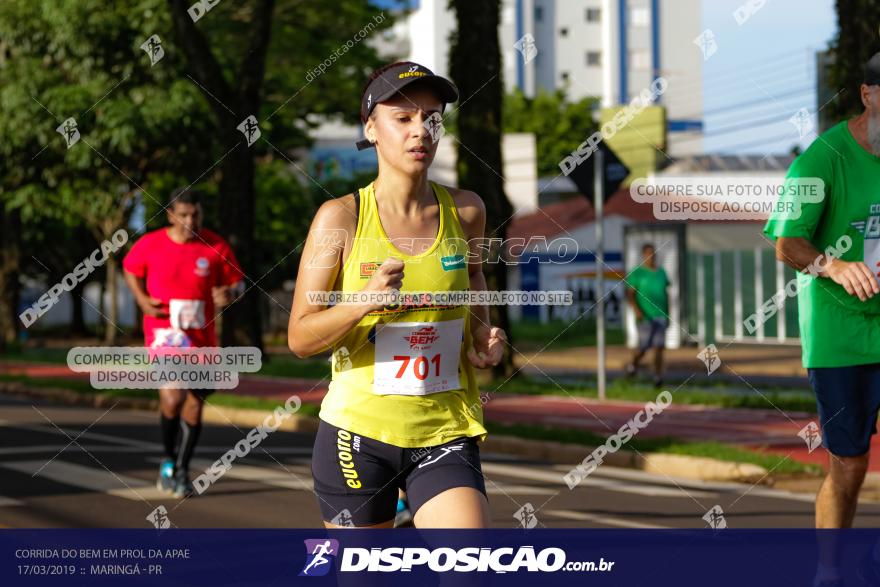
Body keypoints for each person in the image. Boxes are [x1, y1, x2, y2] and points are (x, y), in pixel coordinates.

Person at [288, 61, 506, 529]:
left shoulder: (466, 210)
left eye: (431, 117)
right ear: (371, 128)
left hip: (443, 428)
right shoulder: (340, 218)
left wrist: (481, 334)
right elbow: (301, 337)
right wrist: (363, 301)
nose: (420, 131)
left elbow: (474, 277)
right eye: (403, 118)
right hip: (357, 433)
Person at [764, 52, 880, 587]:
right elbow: (786, 242)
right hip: (840, 336)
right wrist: (833, 265)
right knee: (849, 466)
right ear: (867, 94)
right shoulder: (821, 158)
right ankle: (829, 572)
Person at [123, 188, 243, 498]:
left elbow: (238, 283)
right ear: (171, 214)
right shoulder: (150, 243)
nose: (191, 221)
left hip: (202, 339)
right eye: (185, 214)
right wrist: (141, 301)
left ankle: (181, 468)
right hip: (164, 335)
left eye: (196, 215)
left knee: (194, 403)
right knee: (173, 397)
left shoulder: (215, 245)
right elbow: (130, 268)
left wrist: (229, 295)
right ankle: (167, 457)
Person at [624, 243, 669, 387]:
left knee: (659, 347)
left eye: (653, 254)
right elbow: (630, 295)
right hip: (644, 317)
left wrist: (669, 313)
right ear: (643, 256)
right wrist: (637, 310)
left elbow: (666, 294)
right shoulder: (637, 273)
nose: (651, 257)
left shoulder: (661, 272)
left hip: (660, 315)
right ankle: (633, 365)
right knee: (643, 348)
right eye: (648, 254)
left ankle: (658, 377)